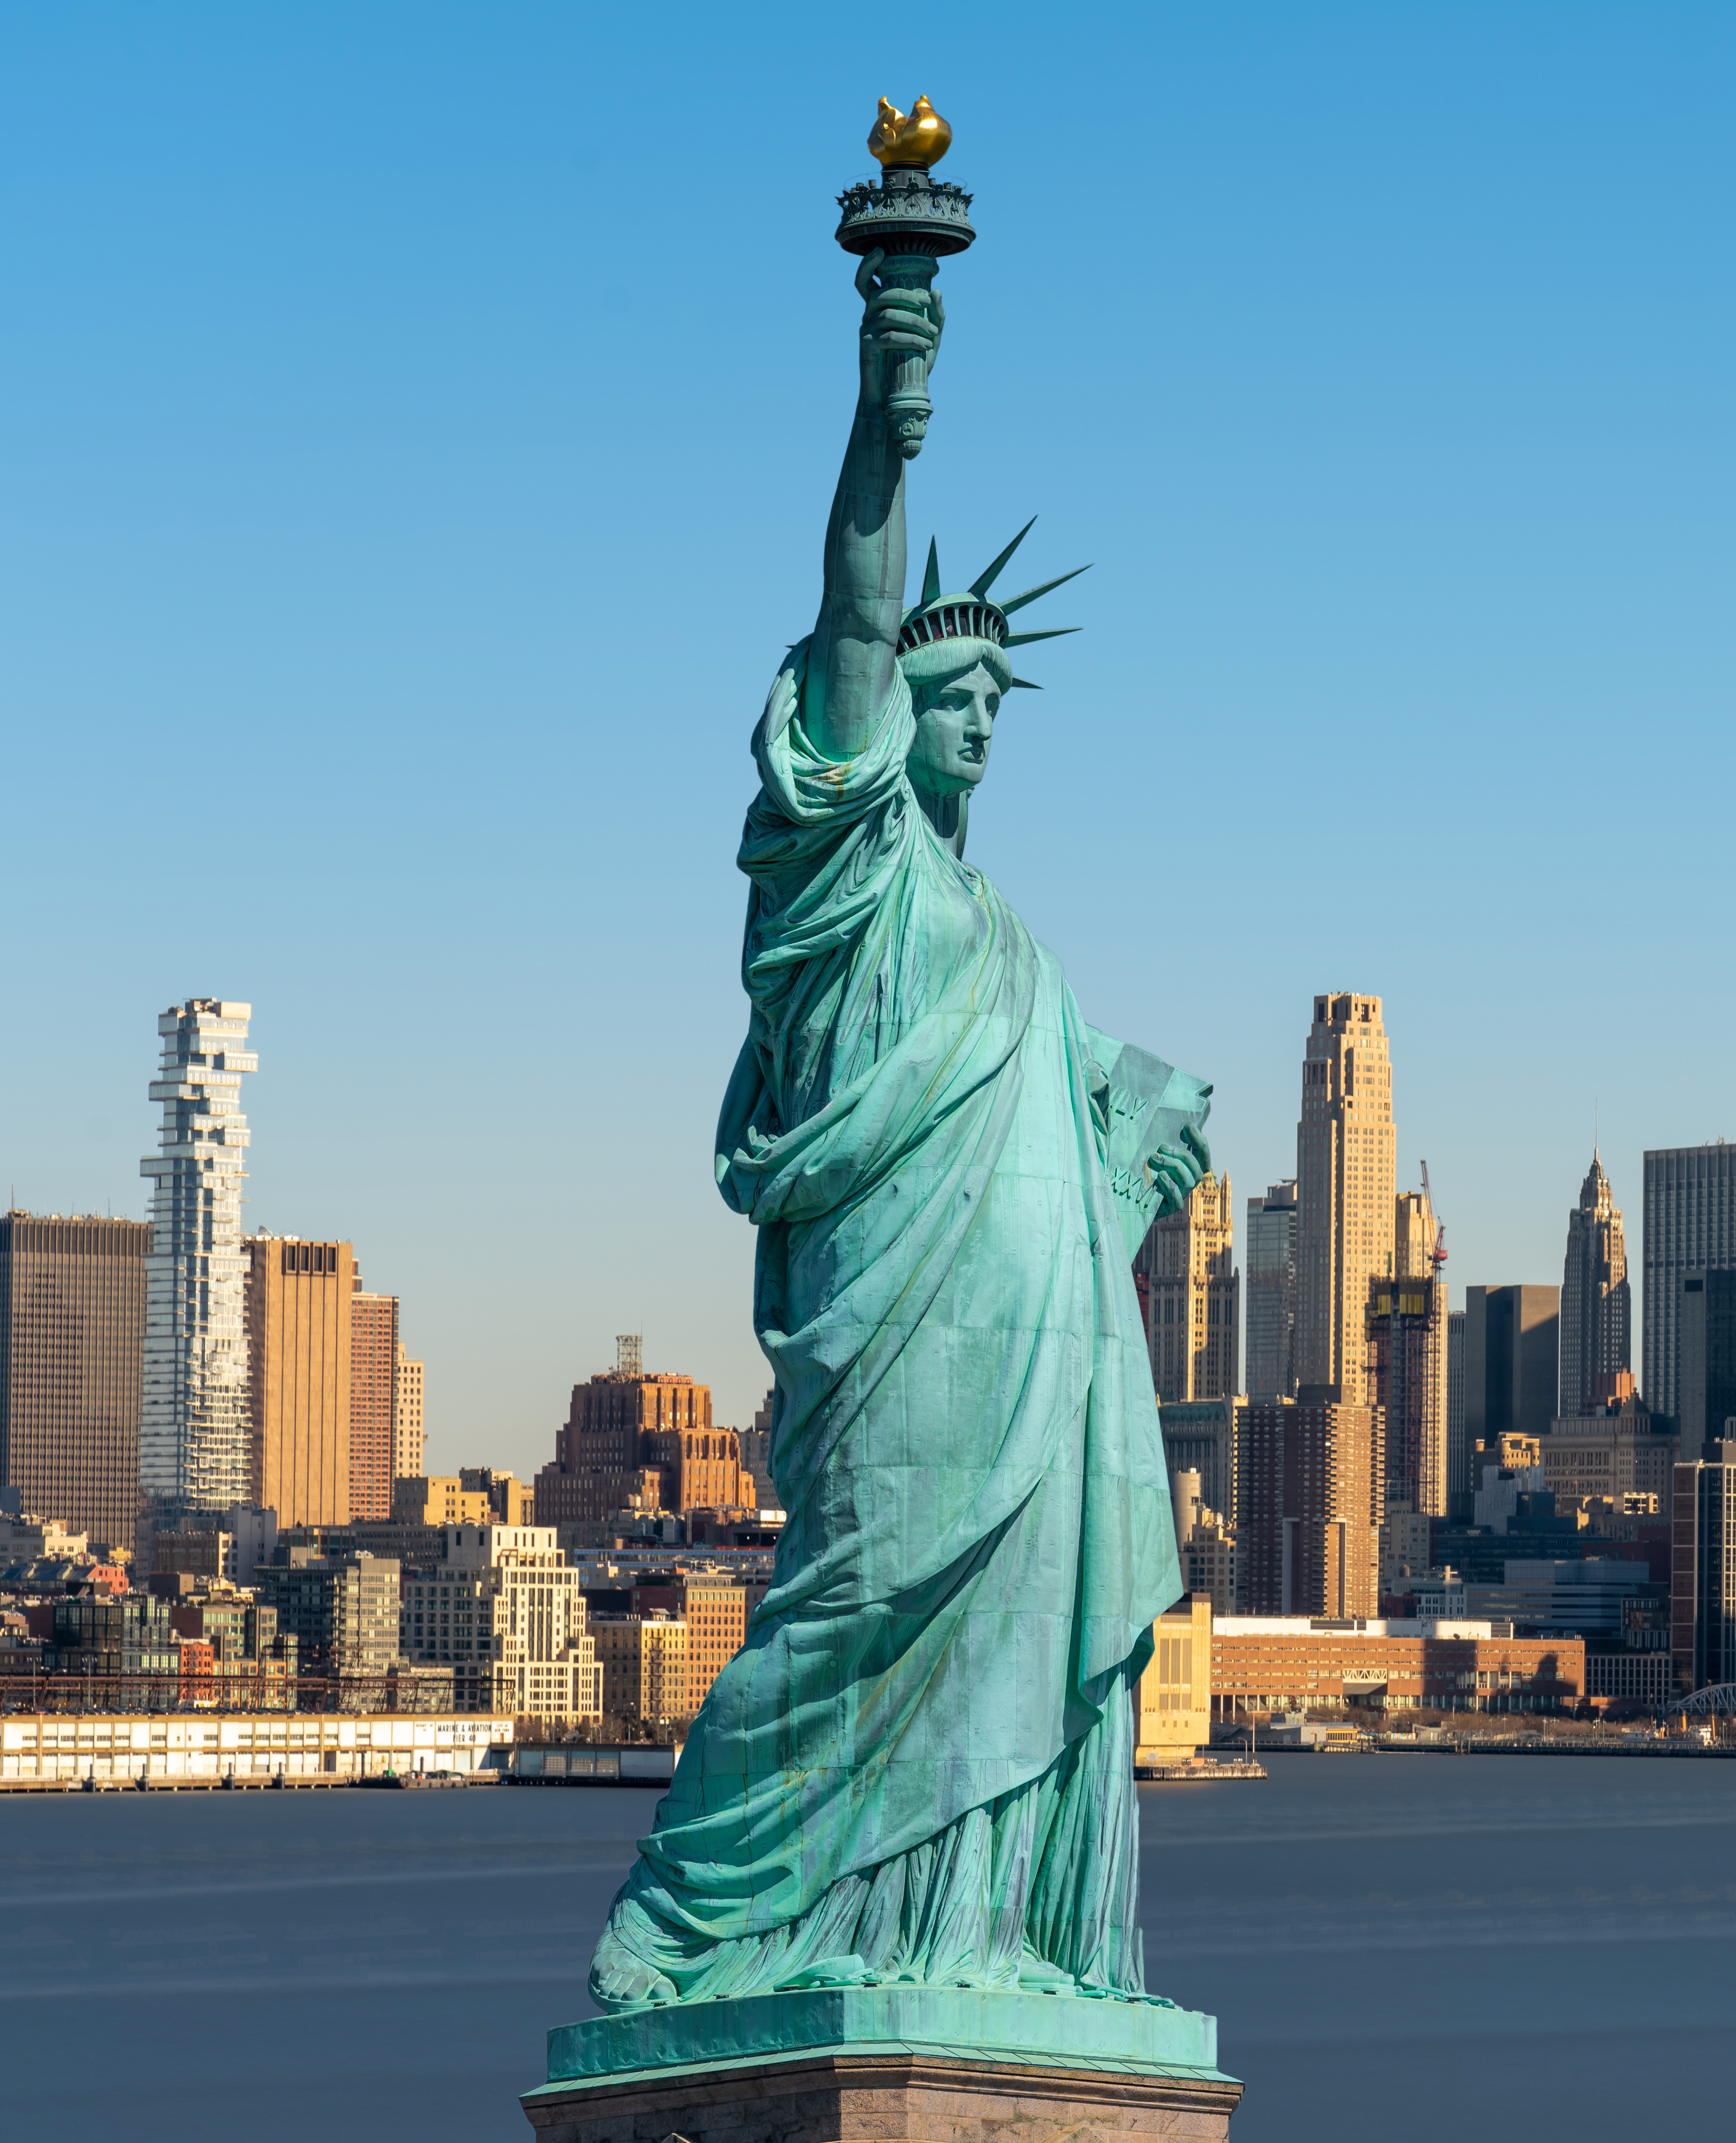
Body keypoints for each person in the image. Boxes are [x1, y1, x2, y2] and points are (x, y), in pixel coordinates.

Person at [588, 247, 1208, 2009]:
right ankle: (694, 1921)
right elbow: (860, 612)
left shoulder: (1021, 946)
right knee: (858, 1611)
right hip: (911, 1344)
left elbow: (1101, 1132)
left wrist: (1144, 1138)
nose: (986, 719)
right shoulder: (853, 870)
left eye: (1002, 700)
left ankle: (984, 1940)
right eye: (962, 697)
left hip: (1048, 1366)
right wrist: (886, 404)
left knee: (1017, 1629)